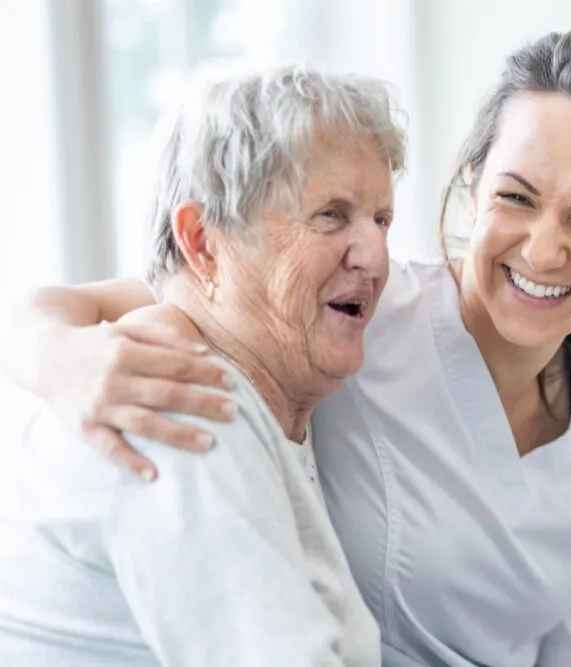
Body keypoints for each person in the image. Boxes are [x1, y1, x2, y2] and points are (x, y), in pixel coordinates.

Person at [1, 28, 571, 667]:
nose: (544, 250)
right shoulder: (341, 321)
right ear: (473, 187)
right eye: (517, 197)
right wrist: (61, 358)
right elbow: (176, 295)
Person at [0, 65, 405, 666]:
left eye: (381, 220)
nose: (376, 256)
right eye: (330, 215)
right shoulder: (176, 396)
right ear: (203, 242)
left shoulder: (256, 362)